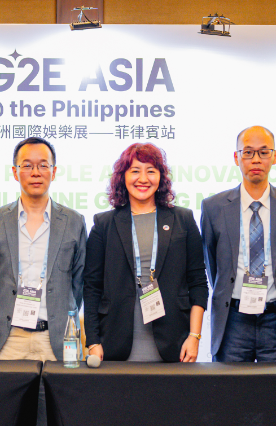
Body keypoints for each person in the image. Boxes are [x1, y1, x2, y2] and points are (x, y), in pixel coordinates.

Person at [0, 136, 86, 426]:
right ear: (15, 172)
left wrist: (59, 316)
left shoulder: (73, 221)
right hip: (10, 341)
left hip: (54, 342)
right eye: (27, 165)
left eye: (43, 164)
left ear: (54, 172)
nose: (35, 171)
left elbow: (79, 283)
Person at [83, 143, 208, 363]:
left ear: (161, 177)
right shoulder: (104, 224)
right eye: (135, 171)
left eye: (151, 171)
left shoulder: (183, 220)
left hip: (174, 342)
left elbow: (198, 281)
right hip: (115, 341)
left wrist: (194, 336)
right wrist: (93, 341)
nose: (143, 179)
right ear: (123, 177)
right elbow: (92, 287)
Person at [201, 126, 276, 362]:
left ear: (275, 156)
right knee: (230, 386)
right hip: (232, 322)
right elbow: (213, 267)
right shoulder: (213, 208)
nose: (256, 159)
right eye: (248, 152)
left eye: (263, 152)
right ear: (236, 157)